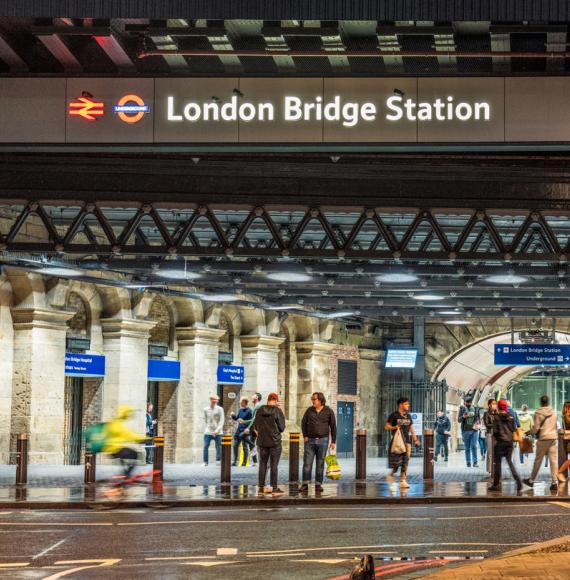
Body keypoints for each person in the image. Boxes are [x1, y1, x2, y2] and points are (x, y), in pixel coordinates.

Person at [300, 392, 337, 492]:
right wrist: (305, 436)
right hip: (310, 441)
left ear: (320, 400)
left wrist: (333, 441)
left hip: (323, 441)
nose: (312, 401)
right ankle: (305, 484)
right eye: (312, 399)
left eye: (314, 399)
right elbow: (303, 423)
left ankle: (318, 484)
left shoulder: (328, 411)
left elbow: (333, 426)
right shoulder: (309, 410)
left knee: (320, 463)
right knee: (307, 463)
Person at [523, 395, 559, 491]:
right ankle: (554, 482)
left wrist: (529, 432)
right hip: (553, 438)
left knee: (538, 461)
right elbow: (556, 426)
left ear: (541, 402)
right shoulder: (554, 413)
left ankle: (531, 481)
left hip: (543, 439)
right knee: (553, 461)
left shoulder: (538, 413)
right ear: (548, 402)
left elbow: (535, 429)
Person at [253, 392, 286, 496]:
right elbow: (282, 427)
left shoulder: (259, 410)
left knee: (262, 465)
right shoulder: (277, 411)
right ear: (275, 400)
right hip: (275, 443)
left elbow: (256, 427)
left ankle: (261, 488)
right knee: (274, 465)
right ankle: (274, 488)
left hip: (262, 442)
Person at [103, 405, 146, 482]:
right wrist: (145, 439)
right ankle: (127, 474)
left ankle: (125, 472)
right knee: (136, 454)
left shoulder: (114, 422)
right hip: (116, 448)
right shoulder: (119, 425)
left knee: (125, 454)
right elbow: (129, 435)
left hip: (110, 449)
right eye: (128, 414)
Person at [384, 397, 420, 488]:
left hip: (407, 442)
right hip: (397, 442)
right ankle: (391, 474)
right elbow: (386, 427)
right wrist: (395, 427)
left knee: (405, 461)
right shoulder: (394, 415)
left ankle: (403, 480)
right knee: (397, 463)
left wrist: (415, 439)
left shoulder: (408, 416)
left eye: (408, 404)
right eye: (406, 404)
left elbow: (411, 429)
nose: (408, 405)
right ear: (401, 405)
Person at [488, 399, 522, 492]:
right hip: (509, 443)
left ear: (499, 407)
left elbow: (495, 431)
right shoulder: (511, 417)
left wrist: (496, 437)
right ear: (506, 407)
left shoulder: (497, 417)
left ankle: (495, 484)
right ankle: (517, 479)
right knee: (510, 462)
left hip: (500, 443)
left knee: (497, 464)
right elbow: (513, 429)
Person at [458, 396, 481, 467]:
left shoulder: (475, 409)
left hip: (474, 430)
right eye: (466, 402)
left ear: (471, 402)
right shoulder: (462, 409)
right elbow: (459, 420)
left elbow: (478, 419)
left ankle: (475, 462)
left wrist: (477, 422)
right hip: (465, 431)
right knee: (467, 447)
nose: (467, 403)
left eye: (468, 402)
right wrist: (463, 417)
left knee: (474, 446)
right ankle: (468, 462)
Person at [203, 394, 224, 467]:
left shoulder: (220, 409)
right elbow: (206, 420)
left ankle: (218, 460)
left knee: (219, 446)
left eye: (216, 400)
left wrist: (217, 431)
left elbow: (222, 421)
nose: (215, 401)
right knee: (205, 446)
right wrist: (207, 428)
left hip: (218, 432)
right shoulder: (205, 409)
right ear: (211, 400)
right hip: (208, 431)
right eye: (213, 400)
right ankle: (205, 462)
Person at [242, 392, 263, 465]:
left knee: (244, 437)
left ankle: (259, 461)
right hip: (255, 428)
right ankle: (255, 462)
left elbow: (254, 419)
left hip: (258, 428)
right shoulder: (255, 406)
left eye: (253, 395)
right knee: (251, 442)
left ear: (257, 397)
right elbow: (253, 419)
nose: (252, 396)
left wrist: (247, 427)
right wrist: (244, 421)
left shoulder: (258, 406)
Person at [231, 397, 253, 467]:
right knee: (235, 445)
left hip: (245, 431)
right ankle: (235, 461)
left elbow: (252, 421)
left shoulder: (249, 411)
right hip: (238, 430)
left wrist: (248, 428)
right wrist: (233, 416)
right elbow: (238, 419)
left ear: (244, 402)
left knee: (245, 447)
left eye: (240, 401)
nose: (239, 402)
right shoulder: (240, 410)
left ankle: (244, 462)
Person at [557, 401, 570, 484]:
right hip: (568, 439)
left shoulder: (564, 416)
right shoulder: (567, 416)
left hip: (567, 439)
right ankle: (559, 472)